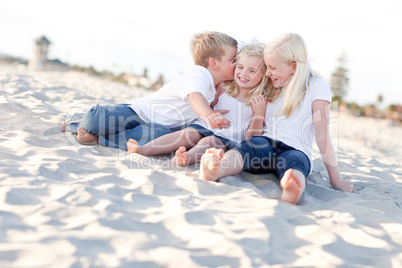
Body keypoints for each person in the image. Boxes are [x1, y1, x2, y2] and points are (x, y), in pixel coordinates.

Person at [197, 33, 355, 205]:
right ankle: (217, 169)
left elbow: (322, 136)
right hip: (265, 141)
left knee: (295, 164)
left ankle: (292, 189)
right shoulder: (270, 84)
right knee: (247, 149)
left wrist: (336, 181)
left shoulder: (317, 86)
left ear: (293, 67)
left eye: (272, 67)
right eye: (266, 67)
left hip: (296, 148)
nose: (267, 72)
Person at [61, 31, 237, 150]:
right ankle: (78, 125)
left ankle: (100, 139)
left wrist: (212, 111)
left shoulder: (214, 88)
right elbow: (195, 98)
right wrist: (209, 114)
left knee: (159, 137)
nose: (237, 64)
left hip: (159, 126)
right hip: (137, 112)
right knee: (96, 119)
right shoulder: (200, 74)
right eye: (233, 59)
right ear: (213, 63)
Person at [126, 42, 269, 167]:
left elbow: (252, 137)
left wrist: (259, 113)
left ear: (263, 75)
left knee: (210, 141)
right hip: (205, 125)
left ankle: (185, 158)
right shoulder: (224, 87)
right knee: (188, 134)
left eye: (252, 71)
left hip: (228, 138)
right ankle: (143, 150)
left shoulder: (258, 100)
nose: (244, 73)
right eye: (240, 67)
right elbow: (209, 105)